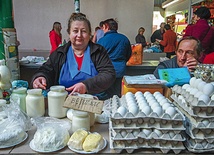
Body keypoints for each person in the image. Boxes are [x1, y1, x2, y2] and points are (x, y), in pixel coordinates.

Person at [31, 13, 116, 99]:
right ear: (69, 33)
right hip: (63, 102)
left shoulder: (98, 51)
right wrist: (40, 77)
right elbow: (46, 70)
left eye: (83, 31)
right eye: (75, 31)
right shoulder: (59, 53)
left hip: (94, 101)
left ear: (89, 34)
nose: (79, 35)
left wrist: (86, 86)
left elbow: (109, 74)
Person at [97, 18, 132, 99]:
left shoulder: (102, 41)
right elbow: (128, 54)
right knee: (117, 95)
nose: (102, 30)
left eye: (103, 27)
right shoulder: (124, 38)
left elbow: (97, 57)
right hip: (120, 71)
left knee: (105, 95)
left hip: (106, 72)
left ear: (106, 27)